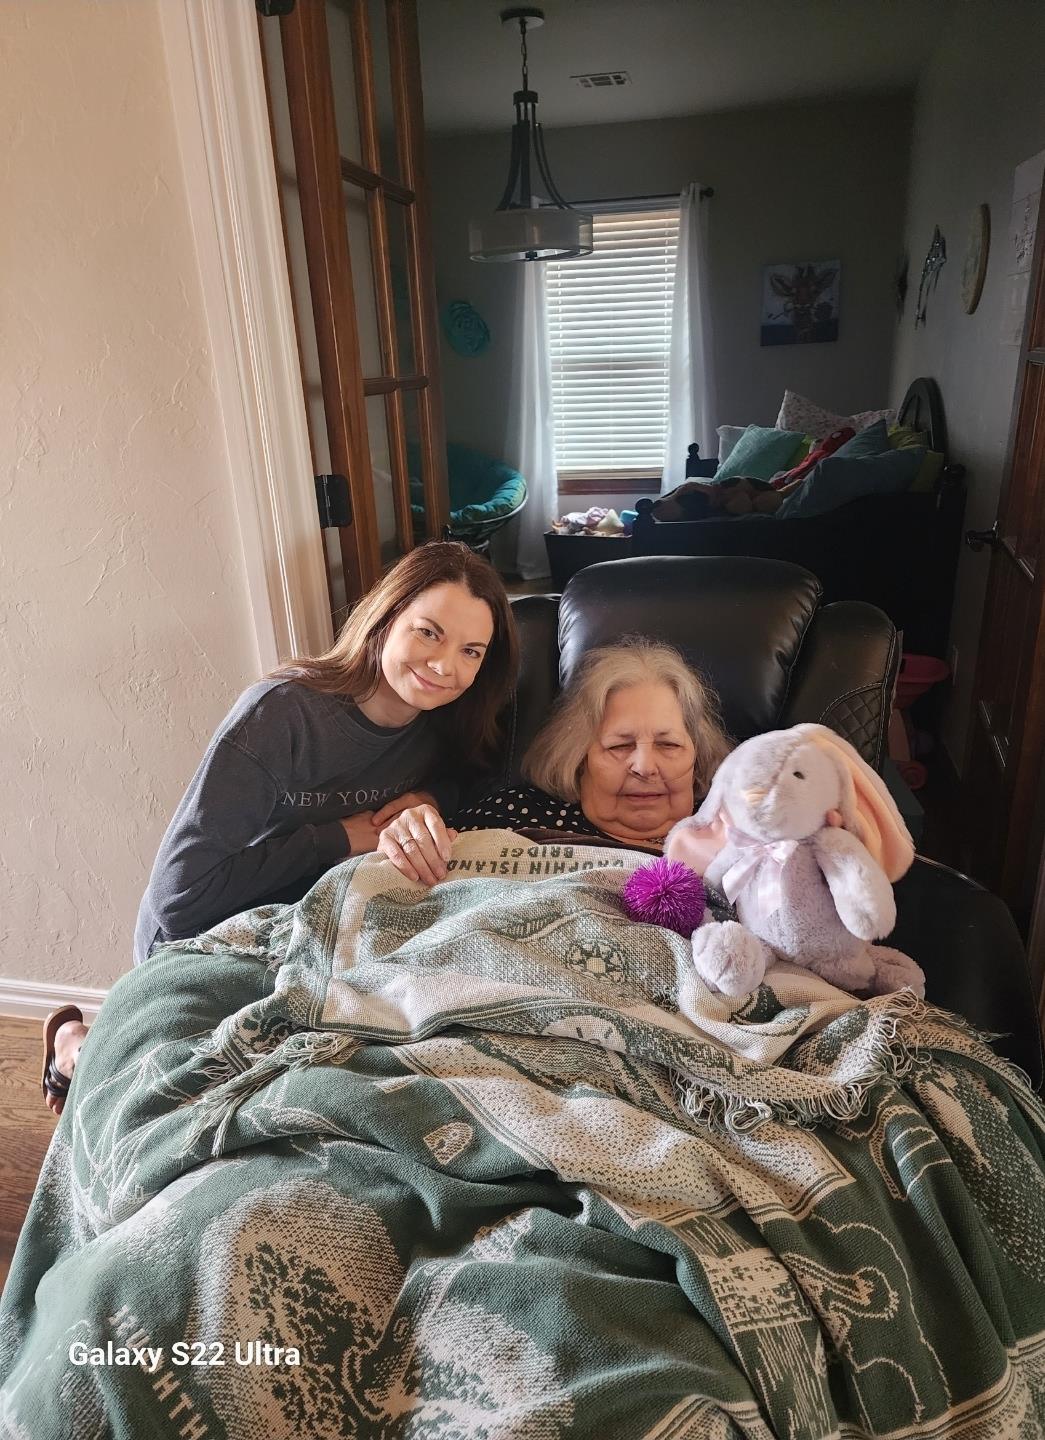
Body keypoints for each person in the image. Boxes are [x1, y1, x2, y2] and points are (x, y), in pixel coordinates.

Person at [42, 541, 519, 1113]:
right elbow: (178, 896)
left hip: (312, 938)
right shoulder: (281, 715)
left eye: (472, 651)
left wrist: (427, 799)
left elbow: (474, 785)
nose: (447, 667)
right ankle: (73, 1047)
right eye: (429, 633)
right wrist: (340, 836)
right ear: (385, 620)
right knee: (159, 1102)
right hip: (203, 937)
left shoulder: (449, 720)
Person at [376, 638, 731, 880]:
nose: (644, 766)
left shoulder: (739, 830)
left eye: (668, 745)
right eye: (619, 747)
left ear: (697, 758)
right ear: (578, 758)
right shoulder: (516, 814)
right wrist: (413, 836)